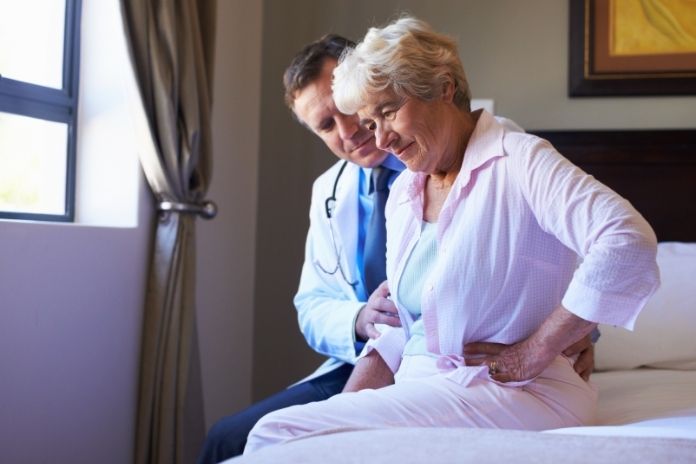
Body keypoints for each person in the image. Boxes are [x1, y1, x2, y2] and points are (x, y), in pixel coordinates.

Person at [243, 17, 659, 454]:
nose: (381, 139)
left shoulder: (519, 158)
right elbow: (398, 330)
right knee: (305, 439)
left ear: (442, 87)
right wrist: (345, 412)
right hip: (429, 388)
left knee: (277, 433)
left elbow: (625, 239)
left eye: (388, 112)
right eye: (370, 122)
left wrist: (537, 349)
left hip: (516, 390)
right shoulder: (406, 191)